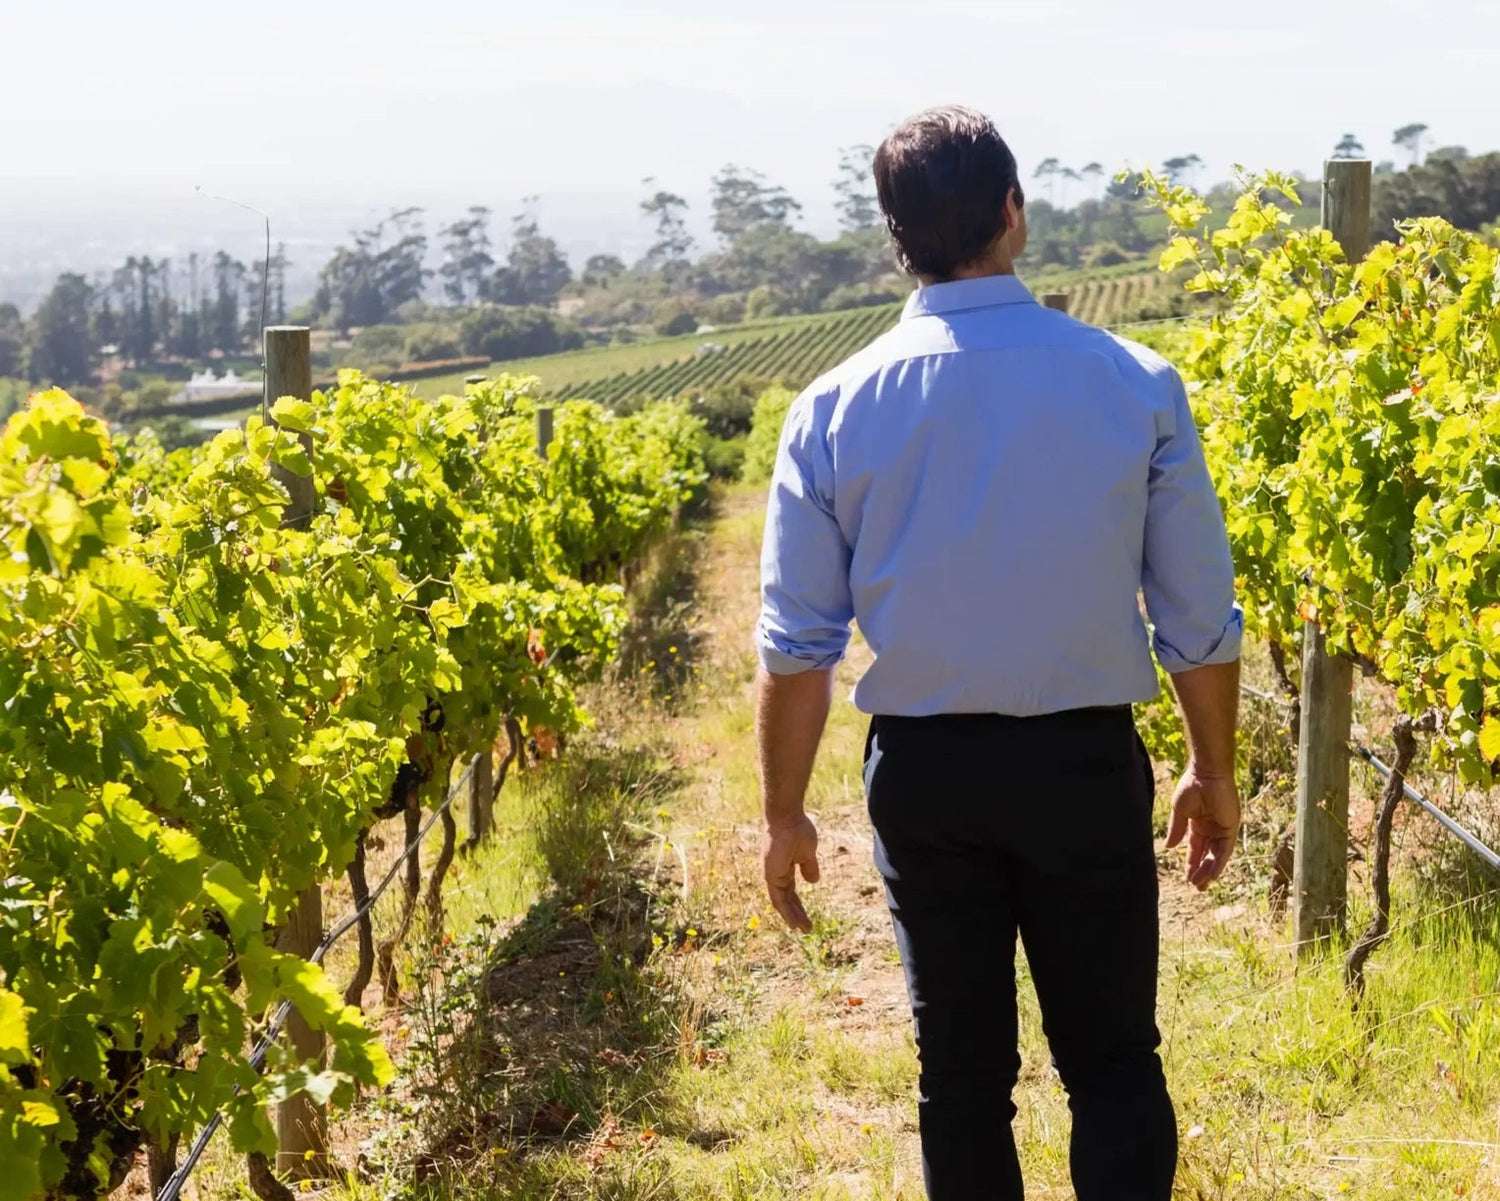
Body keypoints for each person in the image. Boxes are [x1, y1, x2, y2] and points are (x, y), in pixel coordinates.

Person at [753, 105, 1243, 1201]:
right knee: (1113, 1060)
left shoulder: (829, 409)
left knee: (961, 1079)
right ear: (1014, 214)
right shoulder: (1136, 381)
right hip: (1081, 764)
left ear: (896, 235)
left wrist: (783, 812)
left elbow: (797, 646)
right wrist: (1212, 769)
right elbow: (1197, 615)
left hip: (926, 778)